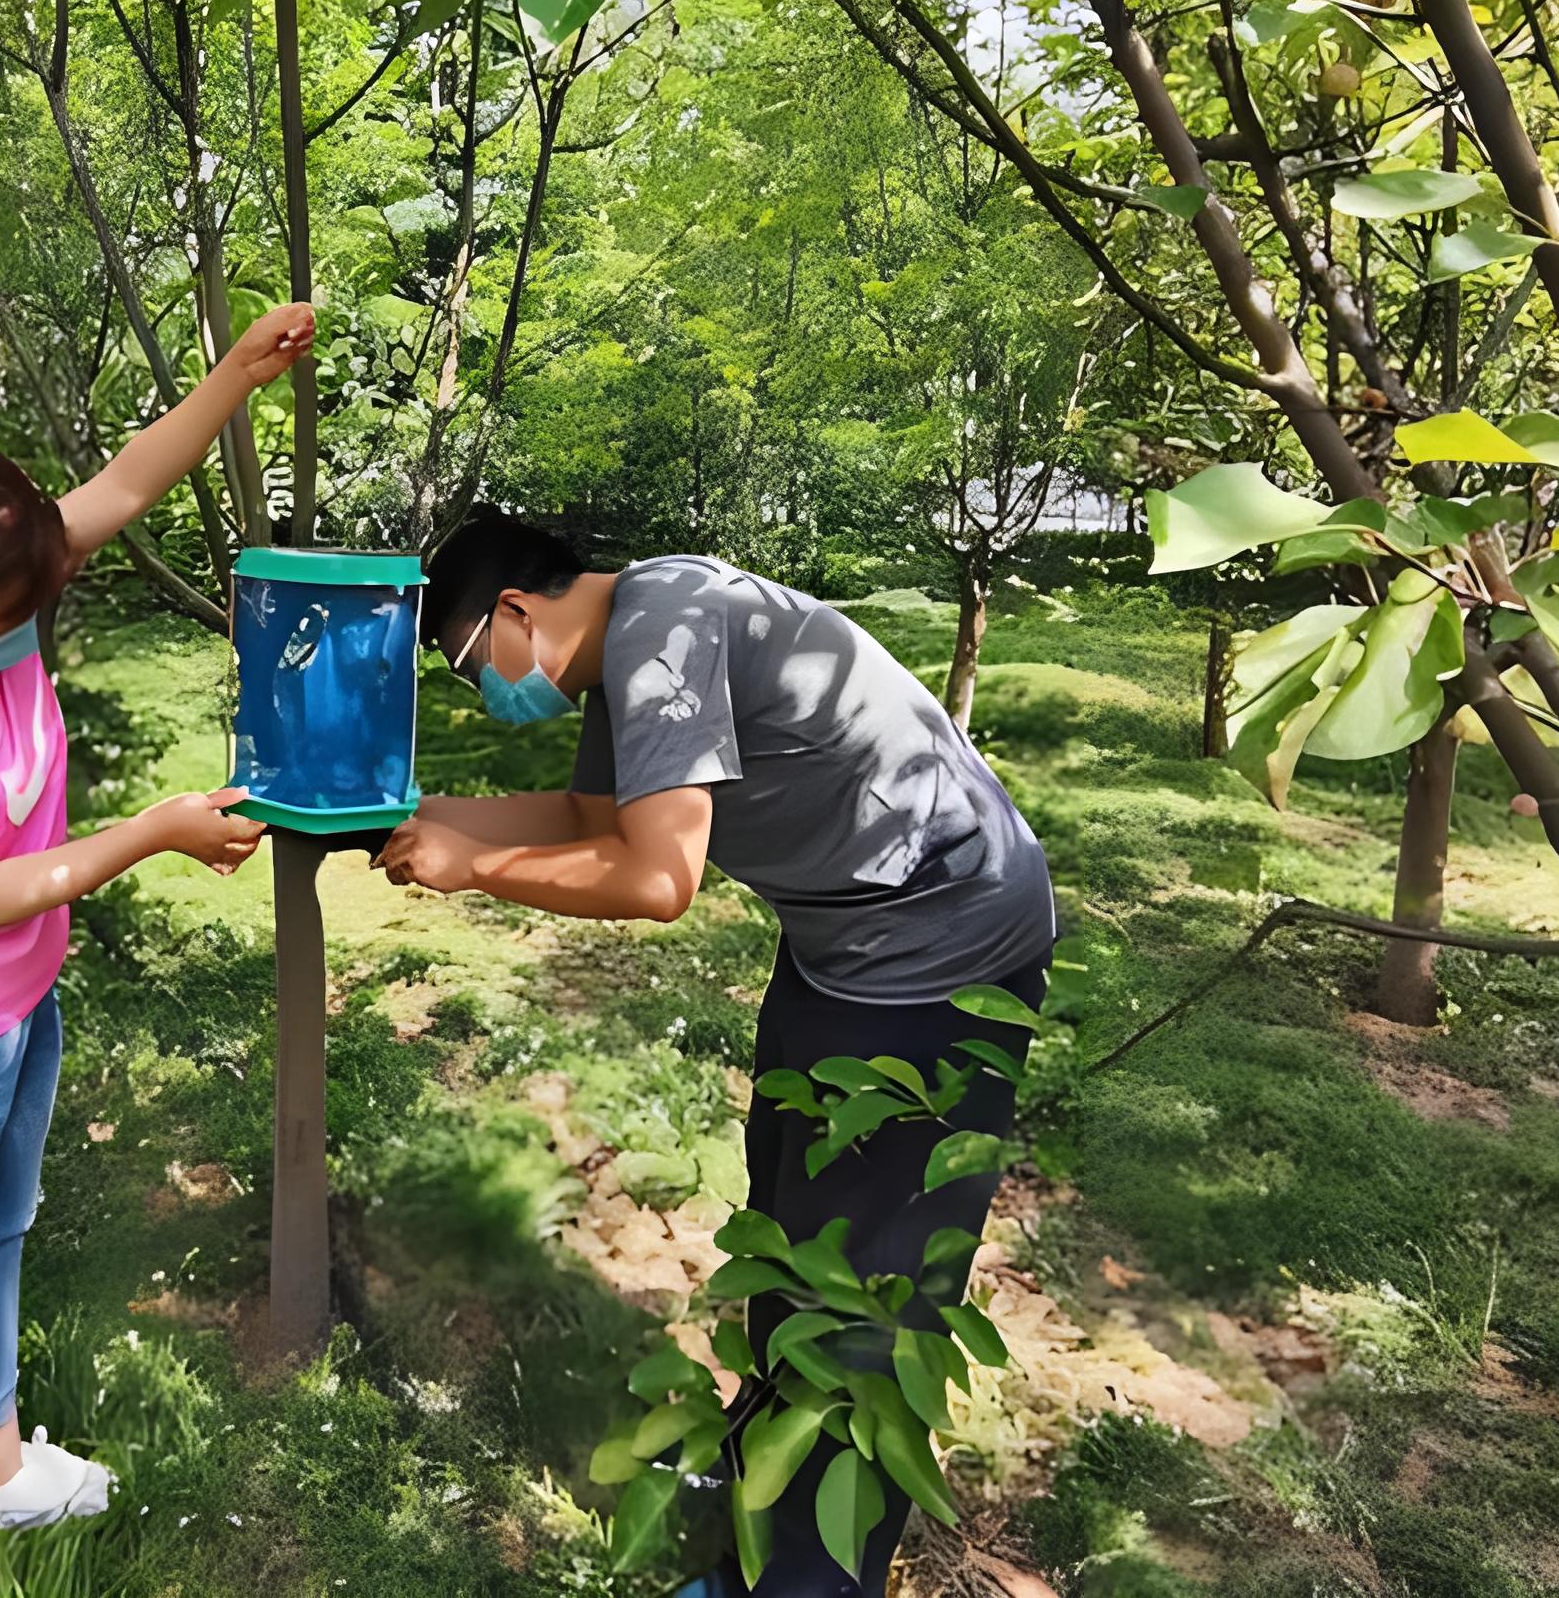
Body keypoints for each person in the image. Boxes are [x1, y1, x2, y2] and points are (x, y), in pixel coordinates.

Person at [374, 513, 1056, 1598]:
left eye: (471, 667)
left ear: (514, 611)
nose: (484, 693)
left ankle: (806, 1578)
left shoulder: (662, 630)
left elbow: (657, 878)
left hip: (939, 945)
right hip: (848, 941)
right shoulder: (627, 640)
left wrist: (476, 867)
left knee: (866, 1294)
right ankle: (765, 1493)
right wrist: (402, 814)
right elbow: (584, 814)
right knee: (794, 1225)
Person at [0, 305, 314, 1598]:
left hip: (23, 1003)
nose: (32, 623)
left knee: (4, 1231)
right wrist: (152, 833)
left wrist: (235, 374)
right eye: (4, 613)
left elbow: (133, 478)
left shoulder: (2, 572)